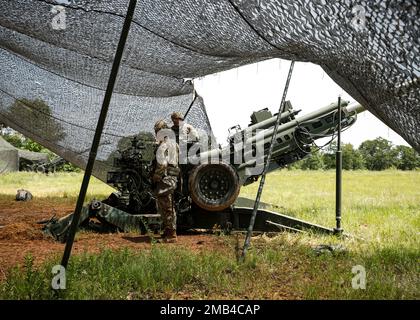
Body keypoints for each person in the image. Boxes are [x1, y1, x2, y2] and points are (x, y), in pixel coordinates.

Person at [152, 120, 180, 243]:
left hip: (166, 178)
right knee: (168, 205)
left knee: (166, 206)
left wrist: (155, 177)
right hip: (172, 177)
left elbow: (162, 164)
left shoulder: (164, 145)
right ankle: (168, 232)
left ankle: (171, 235)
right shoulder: (174, 144)